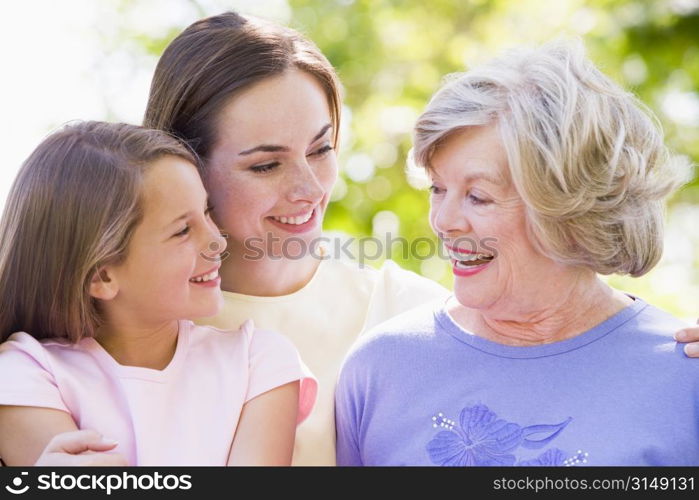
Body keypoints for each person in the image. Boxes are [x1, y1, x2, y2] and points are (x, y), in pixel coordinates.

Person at [335, 40, 699, 466]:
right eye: (438, 188)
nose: (444, 220)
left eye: (479, 196)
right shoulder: (379, 369)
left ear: (568, 208)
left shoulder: (684, 375)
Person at [142, 11, 450, 465]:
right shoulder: (126, 326)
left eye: (321, 149)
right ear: (185, 167)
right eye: (266, 165)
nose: (310, 189)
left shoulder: (413, 313)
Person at [0, 121, 316, 466]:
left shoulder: (260, 362)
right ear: (102, 276)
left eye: (207, 212)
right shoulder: (23, 375)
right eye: (182, 230)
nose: (218, 241)